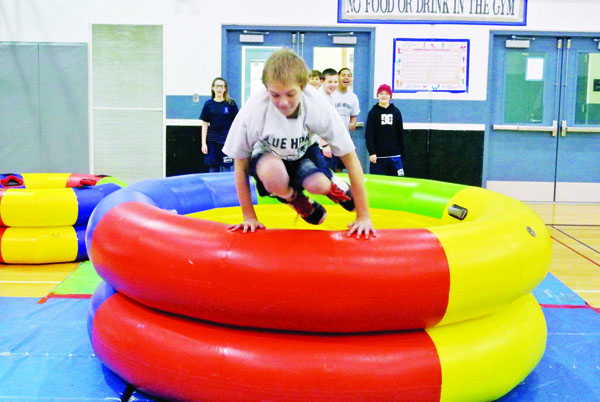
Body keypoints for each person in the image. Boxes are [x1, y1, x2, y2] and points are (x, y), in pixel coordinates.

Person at [223, 49, 375, 239]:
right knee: (272, 173)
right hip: (269, 156)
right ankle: (293, 198)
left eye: (291, 94)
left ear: (303, 87)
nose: (284, 102)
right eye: (275, 95)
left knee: (317, 184)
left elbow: (350, 158)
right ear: (266, 88)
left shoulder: (317, 105)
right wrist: (249, 216)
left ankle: (332, 185)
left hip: (303, 152)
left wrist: (363, 215)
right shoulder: (253, 110)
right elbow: (240, 164)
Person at [365, 84, 406, 177]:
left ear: (390, 96)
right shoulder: (373, 112)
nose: (384, 96)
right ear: (377, 96)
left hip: (395, 155)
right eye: (381, 93)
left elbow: (400, 134)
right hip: (378, 156)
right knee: (378, 183)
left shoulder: (396, 112)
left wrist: (402, 154)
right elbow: (369, 134)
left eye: (386, 94)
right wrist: (372, 152)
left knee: (397, 182)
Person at [199, 77, 239, 172]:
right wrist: (203, 143)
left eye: (221, 86)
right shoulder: (208, 104)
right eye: (217, 86)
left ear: (225, 89)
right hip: (212, 143)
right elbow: (205, 124)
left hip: (227, 142)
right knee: (213, 169)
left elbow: (237, 123)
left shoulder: (231, 104)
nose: (219, 89)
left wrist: (235, 142)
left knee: (226, 169)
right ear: (213, 88)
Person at [332, 67, 360, 172]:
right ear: (338, 77)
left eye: (349, 76)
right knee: (328, 167)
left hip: (343, 137)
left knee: (340, 168)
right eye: (343, 75)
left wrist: (353, 123)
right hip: (329, 137)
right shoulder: (331, 94)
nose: (346, 78)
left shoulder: (353, 97)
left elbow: (354, 116)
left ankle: (338, 188)